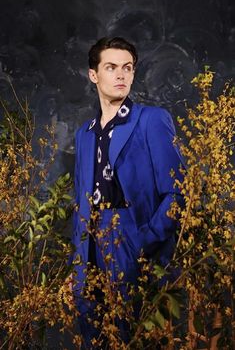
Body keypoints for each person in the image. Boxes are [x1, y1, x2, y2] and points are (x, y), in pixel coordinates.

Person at [71, 37, 184, 348]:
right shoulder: (84, 134)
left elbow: (178, 193)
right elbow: (80, 203)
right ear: (93, 75)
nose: (121, 75)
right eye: (111, 67)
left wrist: (142, 241)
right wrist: (77, 265)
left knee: (134, 339)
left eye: (128, 68)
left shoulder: (151, 120)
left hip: (131, 240)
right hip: (91, 247)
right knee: (95, 339)